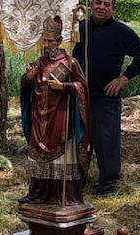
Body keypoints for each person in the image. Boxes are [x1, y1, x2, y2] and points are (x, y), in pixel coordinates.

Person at [73, 0, 140, 195]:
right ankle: (76, 179)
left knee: (106, 138)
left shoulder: (121, 32)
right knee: (78, 137)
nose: (101, 7)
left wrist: (123, 78)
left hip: (105, 96)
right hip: (77, 94)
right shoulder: (78, 30)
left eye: (106, 4)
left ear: (113, 8)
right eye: (98, 3)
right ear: (91, 5)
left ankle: (109, 182)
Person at [18, 16, 90, 206]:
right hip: (40, 116)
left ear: (59, 41)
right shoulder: (39, 63)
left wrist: (64, 86)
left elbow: (82, 87)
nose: (48, 44)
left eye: (51, 40)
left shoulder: (70, 63)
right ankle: (38, 193)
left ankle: (63, 195)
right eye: (45, 40)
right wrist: (27, 78)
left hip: (61, 116)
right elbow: (26, 86)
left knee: (61, 152)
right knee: (38, 153)